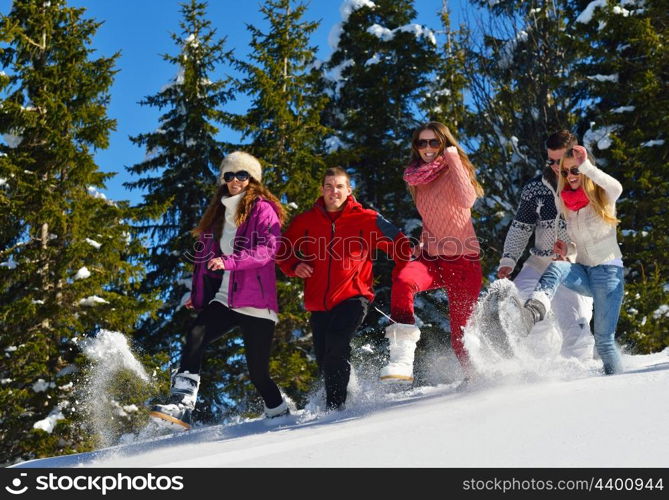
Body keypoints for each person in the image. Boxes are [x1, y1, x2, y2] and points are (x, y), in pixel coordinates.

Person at [150, 151, 288, 429]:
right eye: (229, 175)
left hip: (255, 300)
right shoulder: (217, 215)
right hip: (225, 298)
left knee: (258, 375)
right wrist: (198, 295)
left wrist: (230, 262)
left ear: (253, 180)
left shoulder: (262, 209)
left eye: (242, 175)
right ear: (223, 180)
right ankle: (183, 401)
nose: (235, 180)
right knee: (196, 334)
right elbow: (204, 263)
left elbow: (267, 250)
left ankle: (280, 414)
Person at [277, 167, 412, 410]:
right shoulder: (306, 221)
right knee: (325, 358)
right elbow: (281, 250)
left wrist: (405, 276)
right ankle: (346, 395)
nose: (334, 191)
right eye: (329, 186)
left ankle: (335, 408)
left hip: (354, 297)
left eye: (339, 186)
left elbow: (400, 245)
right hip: (318, 304)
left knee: (337, 340)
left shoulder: (367, 219)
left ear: (349, 190)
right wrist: (294, 265)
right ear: (322, 190)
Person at [379, 122, 483, 384]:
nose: (427, 148)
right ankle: (402, 357)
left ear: (444, 145)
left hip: (463, 261)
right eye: (421, 143)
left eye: (434, 142)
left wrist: (453, 158)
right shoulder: (418, 180)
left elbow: (467, 200)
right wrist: (423, 244)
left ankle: (478, 381)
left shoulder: (454, 169)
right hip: (432, 258)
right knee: (403, 281)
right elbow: (432, 218)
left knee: (460, 337)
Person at [514, 145, 625, 375]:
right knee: (558, 265)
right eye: (565, 173)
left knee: (604, 342)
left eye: (575, 170)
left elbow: (617, 186)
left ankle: (616, 383)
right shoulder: (569, 207)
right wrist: (567, 248)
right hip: (584, 271)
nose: (570, 176)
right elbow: (581, 246)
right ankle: (537, 306)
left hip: (608, 275)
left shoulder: (605, 196)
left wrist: (585, 166)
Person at [497, 130, 595, 360]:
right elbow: (521, 226)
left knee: (577, 320)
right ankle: (543, 364)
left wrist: (572, 250)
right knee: (519, 304)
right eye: (551, 160)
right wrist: (508, 260)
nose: (555, 166)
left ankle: (579, 372)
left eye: (560, 161)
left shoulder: (591, 185)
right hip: (540, 261)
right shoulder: (535, 188)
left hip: (575, 264)